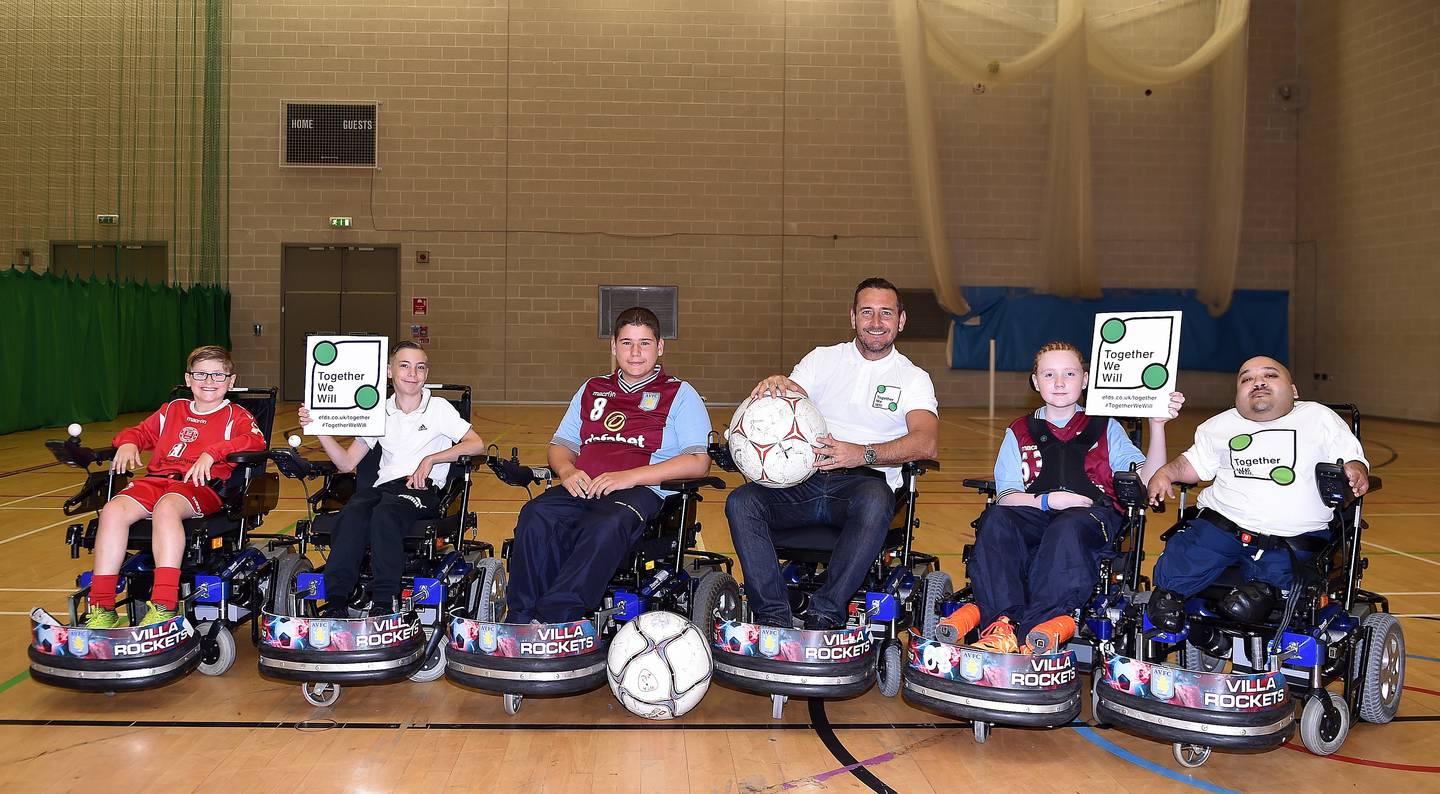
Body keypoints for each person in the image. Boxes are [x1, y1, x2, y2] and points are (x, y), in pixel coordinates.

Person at [940, 341, 1183, 654]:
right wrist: (1047, 501)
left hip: (1091, 519)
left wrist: (1157, 426)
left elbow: (1148, 478)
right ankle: (1002, 625)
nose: (1058, 382)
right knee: (996, 519)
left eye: (1069, 373)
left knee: (1066, 527)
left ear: (1084, 380)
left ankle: (1040, 626)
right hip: (1035, 512)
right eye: (1049, 374)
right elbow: (1007, 496)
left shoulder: (1106, 427)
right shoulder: (1019, 431)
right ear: (1035, 381)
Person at [725, 277, 939, 631]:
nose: (876, 321)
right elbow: (789, 399)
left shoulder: (913, 378)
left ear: (901, 320)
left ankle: (825, 613)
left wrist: (862, 454)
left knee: (875, 498)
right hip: (806, 482)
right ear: (853, 318)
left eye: (886, 313)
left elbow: (926, 442)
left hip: (863, 486)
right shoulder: (822, 359)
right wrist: (778, 384)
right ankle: (773, 618)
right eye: (866, 311)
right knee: (742, 502)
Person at [505, 307, 712, 624]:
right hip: (584, 485)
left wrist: (628, 478)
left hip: (641, 492)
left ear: (660, 347)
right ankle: (520, 618)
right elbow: (561, 445)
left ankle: (557, 619)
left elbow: (698, 462)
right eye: (627, 343)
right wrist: (567, 470)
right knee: (536, 514)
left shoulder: (680, 394)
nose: (635, 352)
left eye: (645, 343)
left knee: (606, 524)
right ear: (614, 346)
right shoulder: (592, 389)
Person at [1144, 356, 1368, 629]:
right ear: (1237, 393)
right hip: (1223, 524)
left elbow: (1349, 455)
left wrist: (1355, 469)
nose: (1258, 381)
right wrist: (1166, 472)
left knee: (1286, 573)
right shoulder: (1218, 426)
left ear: (1294, 391)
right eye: (1246, 378)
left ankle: (1263, 593)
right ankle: (1169, 595)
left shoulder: (1318, 417)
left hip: (1292, 536)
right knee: (1187, 549)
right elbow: (1191, 465)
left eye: (1270, 375)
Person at [83, 345, 266, 628]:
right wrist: (129, 442)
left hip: (201, 486)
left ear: (231, 382)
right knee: (112, 511)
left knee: (165, 508)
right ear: (188, 378)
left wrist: (214, 452)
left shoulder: (236, 415)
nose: (209, 381)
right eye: (201, 374)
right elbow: (140, 432)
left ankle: (164, 605)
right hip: (158, 480)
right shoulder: (172, 409)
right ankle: (102, 606)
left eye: (218, 375)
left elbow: (255, 442)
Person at [299, 342, 486, 616]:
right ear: (389, 371)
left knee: (385, 515)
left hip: (421, 489)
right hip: (384, 487)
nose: (413, 373)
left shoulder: (439, 408)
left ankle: (383, 602)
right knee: (351, 513)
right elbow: (347, 462)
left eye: (420, 367)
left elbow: (476, 445)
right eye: (405, 366)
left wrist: (432, 459)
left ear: (426, 373)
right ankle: (337, 603)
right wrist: (319, 429)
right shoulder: (378, 410)